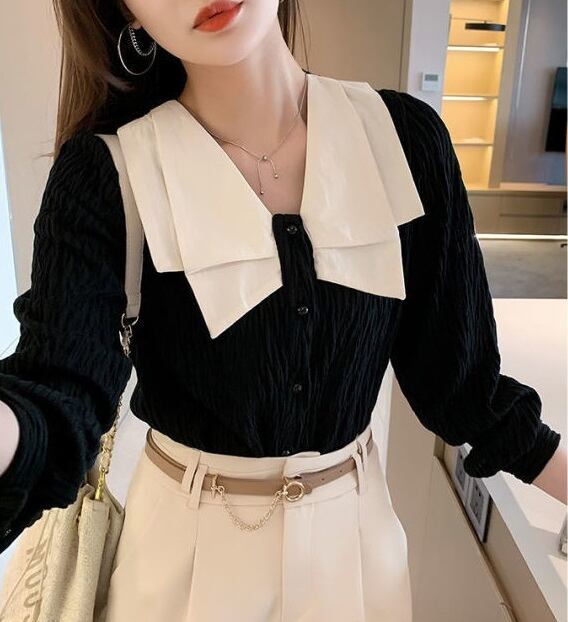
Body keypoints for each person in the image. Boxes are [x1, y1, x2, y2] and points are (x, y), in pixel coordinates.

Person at [0, 0, 565, 620]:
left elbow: (464, 389)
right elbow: (59, 393)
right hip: (184, 562)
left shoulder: (405, 141)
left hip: (358, 557)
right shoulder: (109, 172)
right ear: (127, 14)